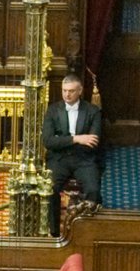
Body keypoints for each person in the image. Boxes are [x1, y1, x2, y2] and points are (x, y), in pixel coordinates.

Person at [41, 70, 104, 219]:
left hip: (84, 160)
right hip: (59, 159)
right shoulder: (53, 110)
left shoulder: (92, 111)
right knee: (50, 189)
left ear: (80, 91)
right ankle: (53, 232)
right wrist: (77, 139)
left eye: (71, 91)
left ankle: (87, 229)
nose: (67, 95)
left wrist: (61, 140)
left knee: (93, 190)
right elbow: (48, 141)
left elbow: (92, 142)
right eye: (64, 91)